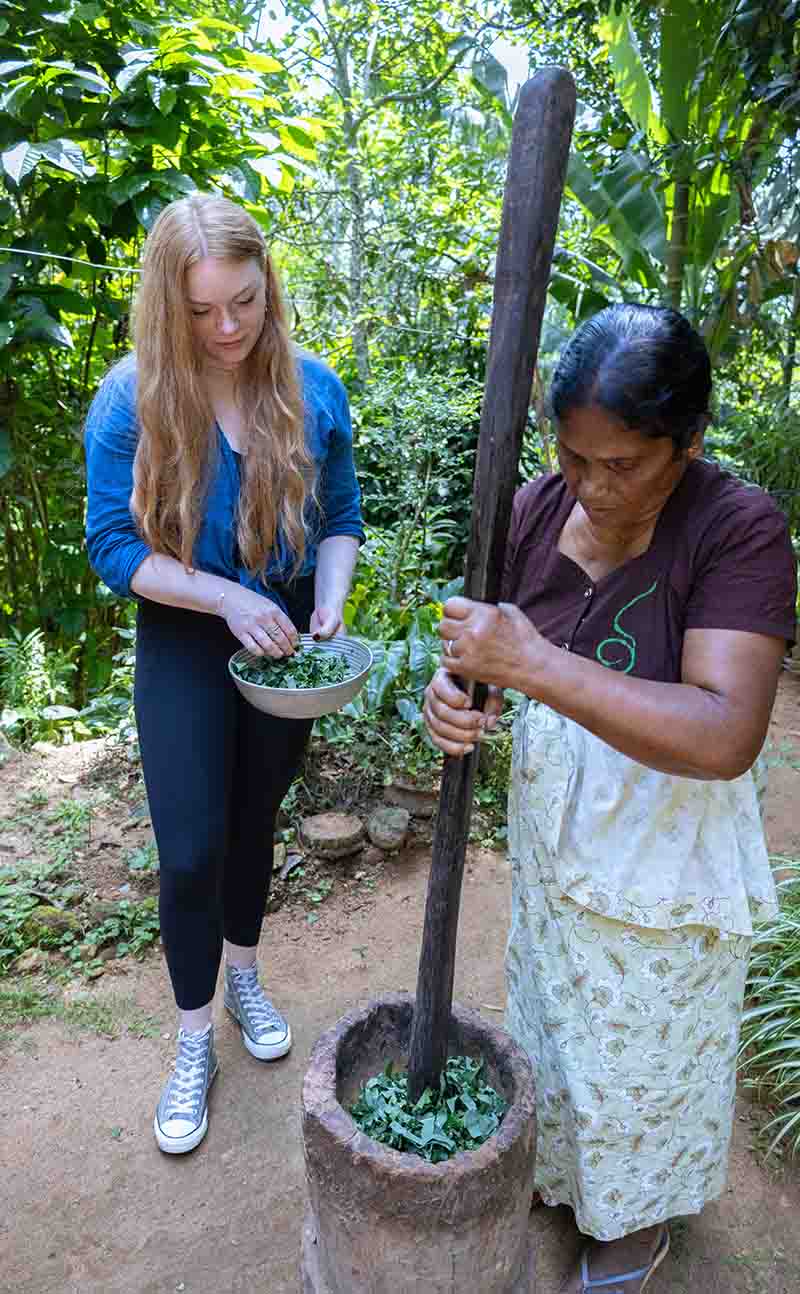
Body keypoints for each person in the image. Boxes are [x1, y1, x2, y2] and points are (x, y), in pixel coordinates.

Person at [423, 304, 796, 1292]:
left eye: (621, 464)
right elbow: (491, 659)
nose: (589, 486)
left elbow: (724, 732)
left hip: (664, 852)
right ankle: (563, 1175)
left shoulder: (736, 528)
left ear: (687, 441)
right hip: (556, 842)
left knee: (646, 1052)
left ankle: (632, 1226)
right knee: (557, 1016)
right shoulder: (535, 508)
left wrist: (534, 664)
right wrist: (456, 694)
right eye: (572, 455)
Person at [84, 193, 364, 1155]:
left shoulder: (312, 388)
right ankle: (194, 1037)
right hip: (187, 638)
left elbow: (340, 519)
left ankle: (245, 975)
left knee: (254, 822)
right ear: (169, 307)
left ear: (267, 286)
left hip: (285, 642)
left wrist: (330, 599)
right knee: (192, 849)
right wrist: (225, 599)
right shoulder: (131, 400)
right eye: (201, 311)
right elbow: (113, 547)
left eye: (243, 302)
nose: (228, 328)